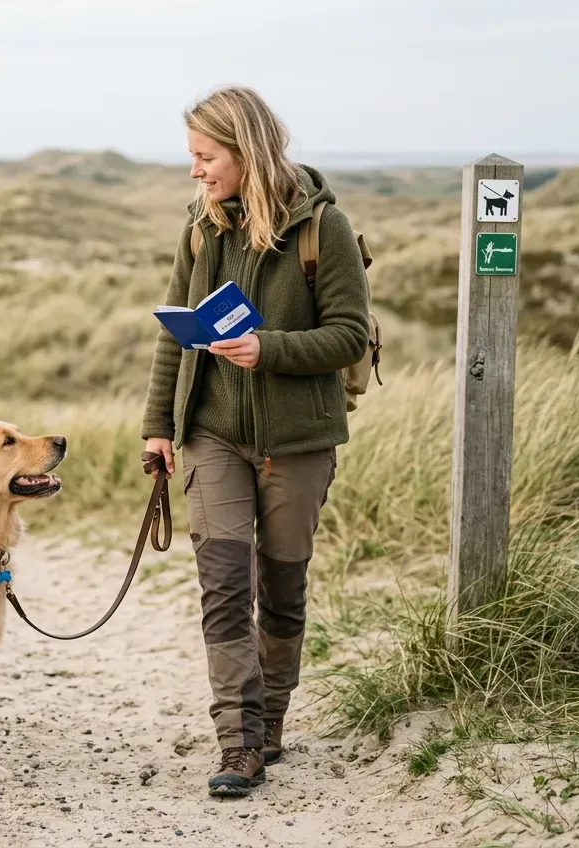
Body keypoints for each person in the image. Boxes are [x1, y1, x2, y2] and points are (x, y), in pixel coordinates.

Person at [141, 85, 370, 798]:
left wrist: (267, 349)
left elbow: (349, 336)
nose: (195, 171)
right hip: (211, 433)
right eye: (192, 157)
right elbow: (173, 337)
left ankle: (270, 723)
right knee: (223, 585)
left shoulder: (323, 229)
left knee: (281, 587)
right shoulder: (200, 227)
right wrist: (158, 427)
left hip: (298, 440)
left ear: (246, 151)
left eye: (206, 157)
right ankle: (238, 743)